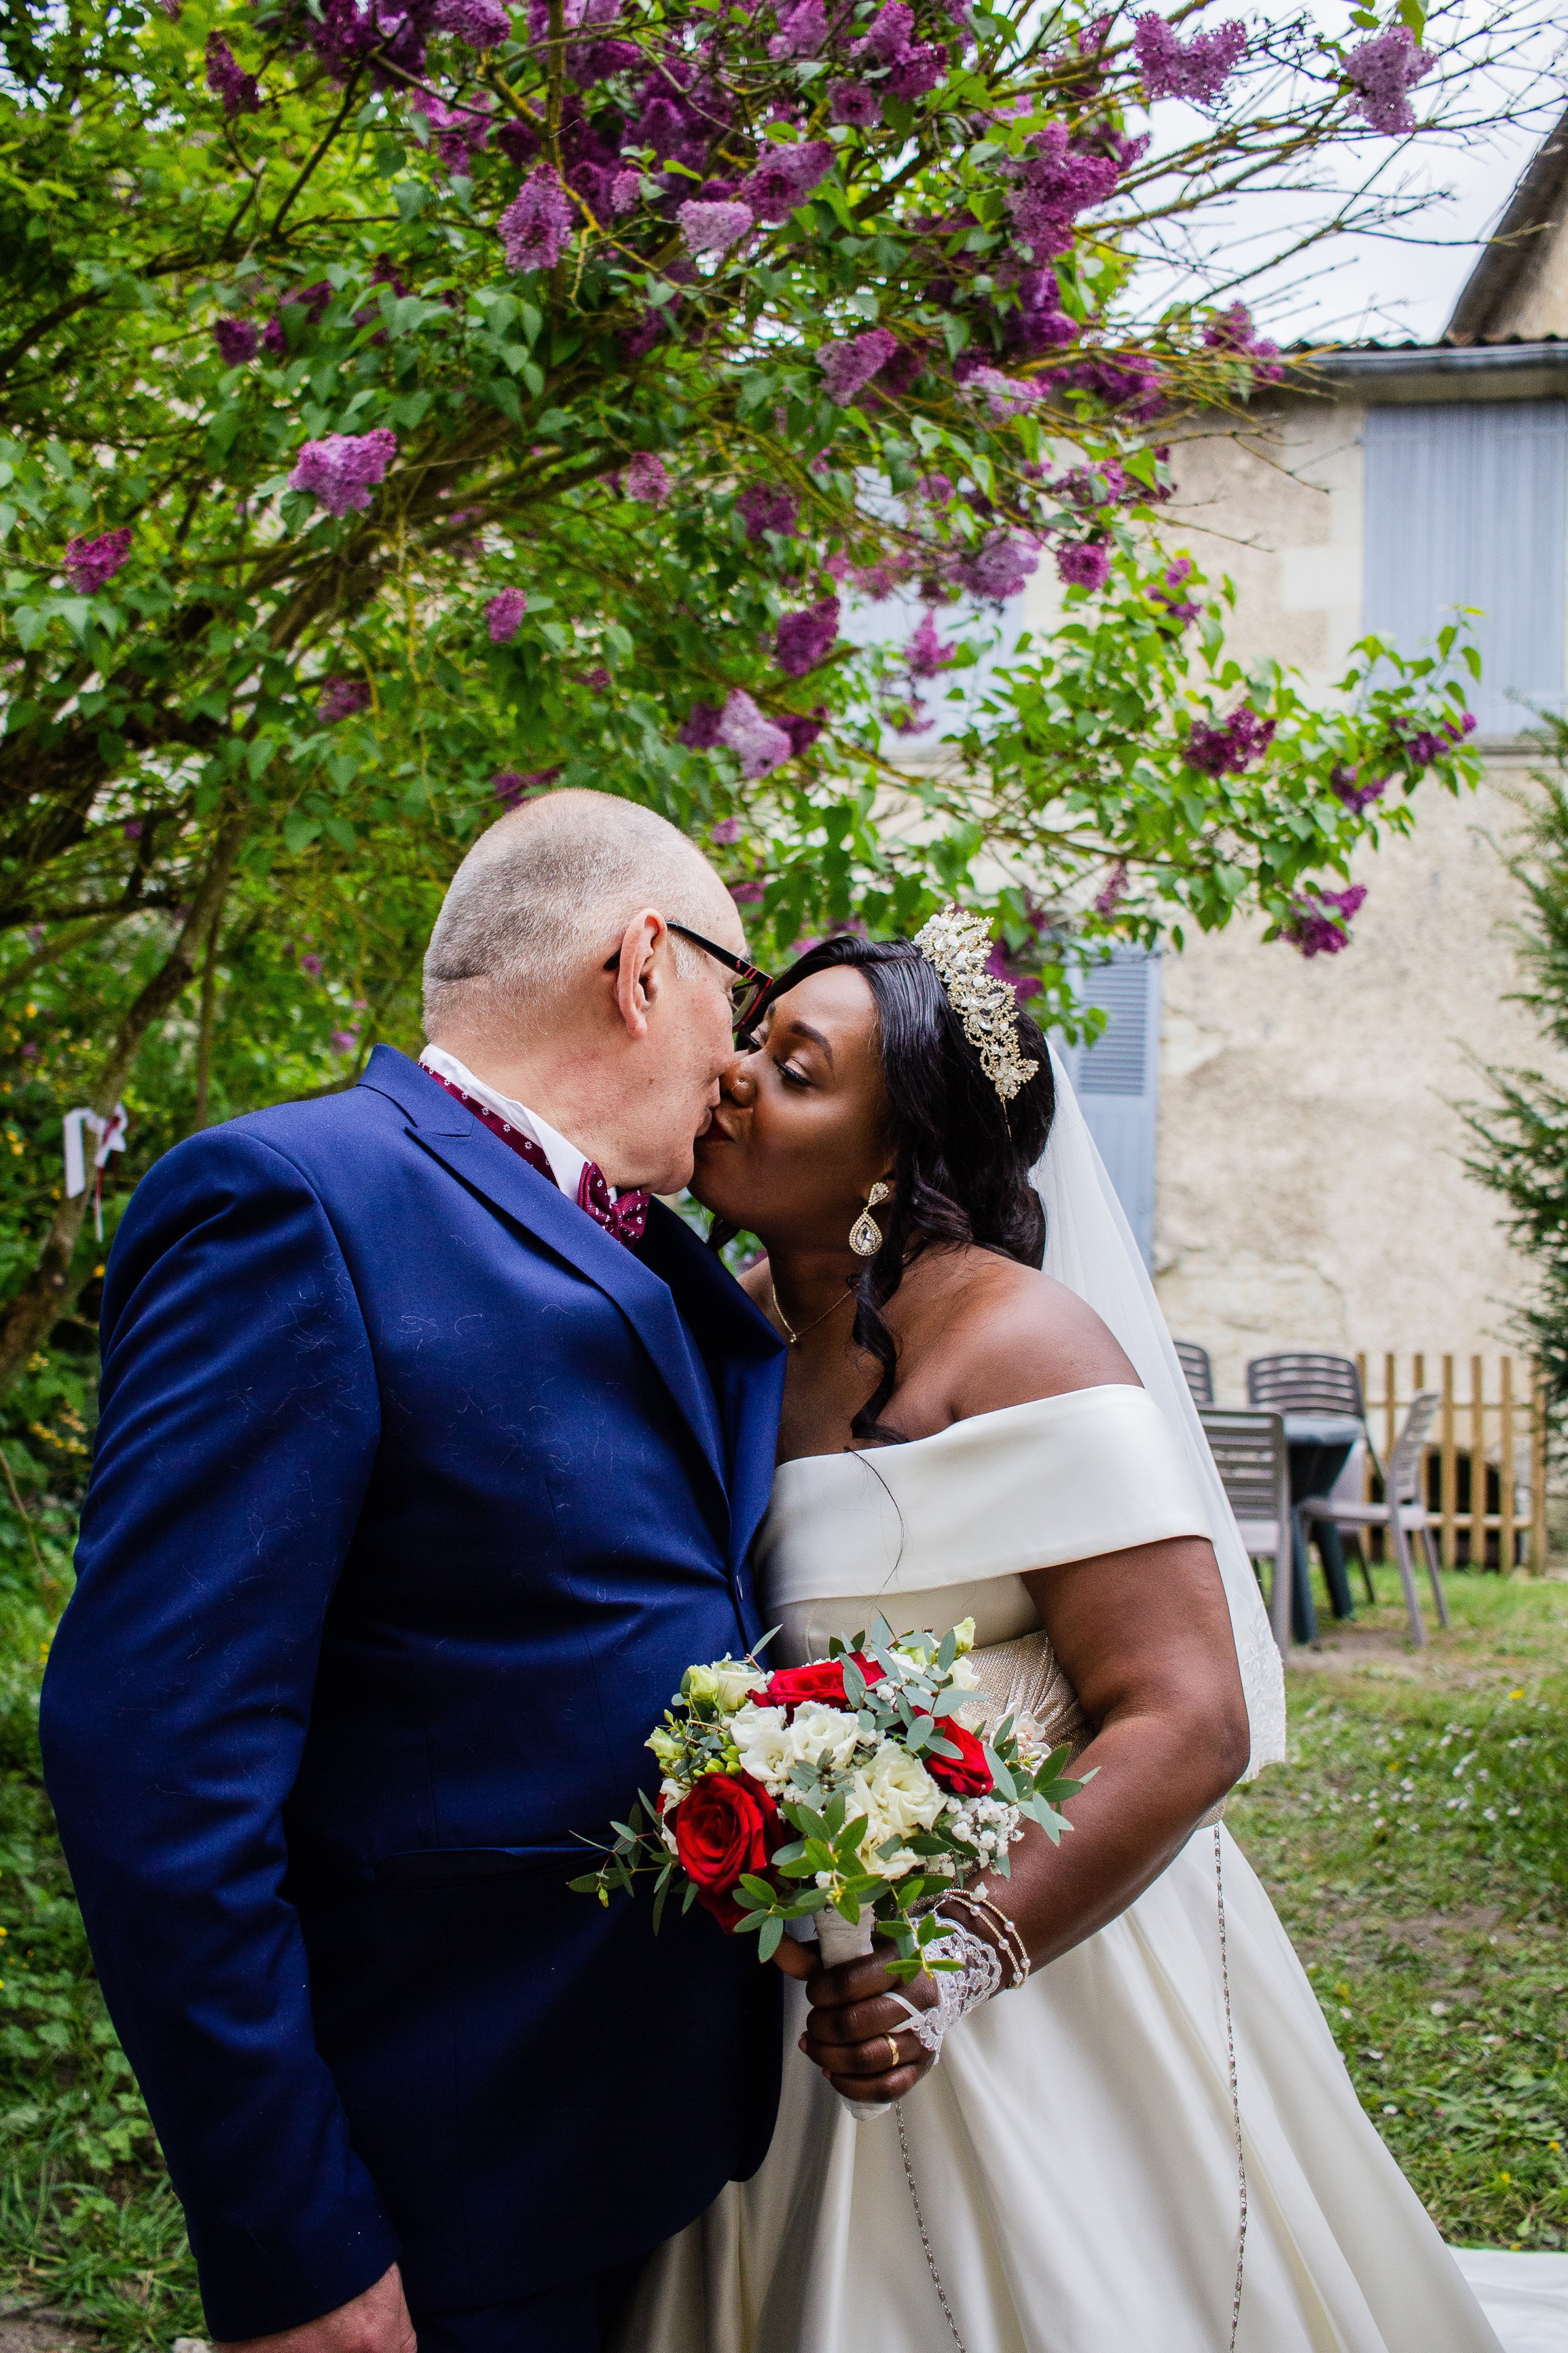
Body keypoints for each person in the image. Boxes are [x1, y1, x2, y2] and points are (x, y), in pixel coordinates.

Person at [623, 917, 1502, 2353]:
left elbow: (1188, 1713)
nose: (731, 1076)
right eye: (754, 1036)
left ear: (893, 1157)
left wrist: (957, 1960)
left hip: (1031, 1967)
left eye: (795, 1068)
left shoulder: (1024, 1343)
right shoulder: (746, 1329)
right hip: (801, 1968)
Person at [39, 791, 790, 2353]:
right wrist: (295, 2240)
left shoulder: (647, 1244)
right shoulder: (298, 1203)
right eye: (740, 986)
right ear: (643, 965)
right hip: (443, 2171)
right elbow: (153, 1763)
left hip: (645, 2148)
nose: (739, 1049)